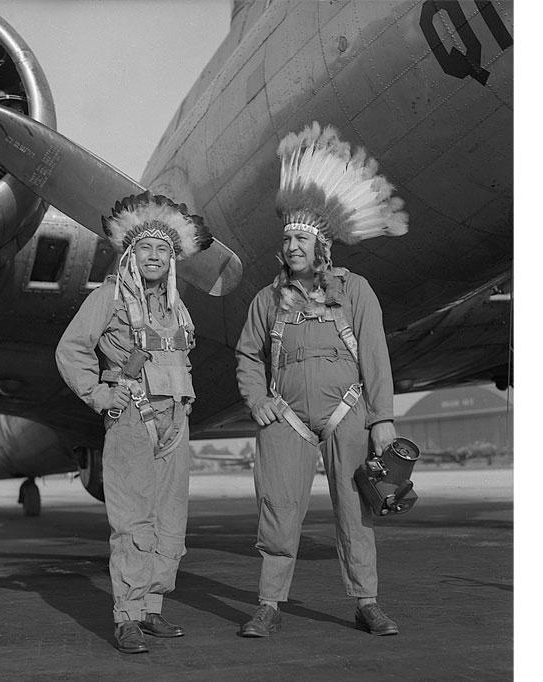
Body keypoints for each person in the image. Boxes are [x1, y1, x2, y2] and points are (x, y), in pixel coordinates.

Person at [234, 122, 409, 638]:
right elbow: (247, 355)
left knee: (356, 510)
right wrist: (257, 399)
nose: (292, 246)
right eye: (287, 238)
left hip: (348, 414)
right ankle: (268, 603)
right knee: (277, 510)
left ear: (322, 245)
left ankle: (366, 601)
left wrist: (383, 421)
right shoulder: (266, 301)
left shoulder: (356, 292)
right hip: (285, 419)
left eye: (302, 238)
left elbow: (375, 357)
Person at [55, 191, 213, 654]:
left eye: (163, 250)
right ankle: (126, 616)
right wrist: (102, 396)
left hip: (175, 422)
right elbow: (71, 350)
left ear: (172, 259)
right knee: (133, 523)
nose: (154, 256)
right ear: (131, 254)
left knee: (170, 523)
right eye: (145, 248)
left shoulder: (177, 308)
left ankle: (151, 609)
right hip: (131, 419)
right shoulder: (109, 298)